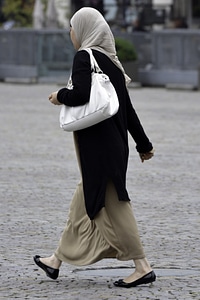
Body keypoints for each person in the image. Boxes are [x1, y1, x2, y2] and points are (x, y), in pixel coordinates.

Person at [33, 7, 156, 288]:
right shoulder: (111, 62)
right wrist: (143, 144)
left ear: (85, 30)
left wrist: (58, 96)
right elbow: (128, 109)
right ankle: (56, 260)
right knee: (83, 201)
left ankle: (142, 266)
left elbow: (81, 95)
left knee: (115, 205)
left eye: (73, 27)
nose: (70, 33)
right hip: (113, 146)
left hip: (99, 149)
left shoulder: (84, 57)